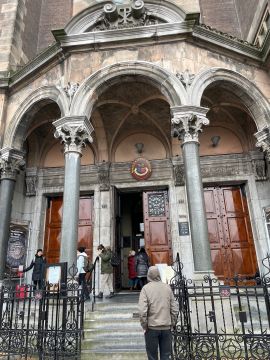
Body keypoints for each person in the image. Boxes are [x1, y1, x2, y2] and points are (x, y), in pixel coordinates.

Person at [138, 266, 179, 360]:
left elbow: (142, 311)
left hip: (151, 328)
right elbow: (174, 309)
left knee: (152, 356)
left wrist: (144, 325)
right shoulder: (167, 287)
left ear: (148, 275)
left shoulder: (146, 289)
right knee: (166, 356)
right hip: (166, 327)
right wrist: (172, 323)